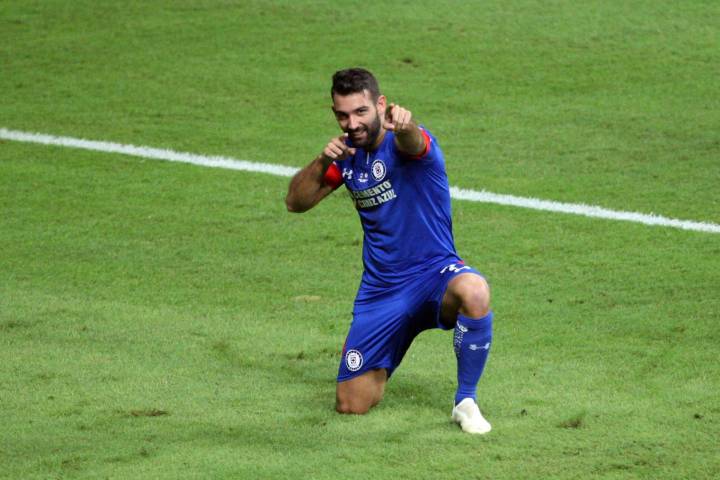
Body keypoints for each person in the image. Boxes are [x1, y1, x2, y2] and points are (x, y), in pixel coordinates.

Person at [285, 68, 494, 434]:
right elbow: (295, 203)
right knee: (351, 404)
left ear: (380, 105)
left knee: (474, 290)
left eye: (361, 112)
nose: (352, 123)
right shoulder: (347, 158)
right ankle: (389, 346)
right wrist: (322, 161)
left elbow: (413, 143)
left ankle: (466, 401)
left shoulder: (405, 143)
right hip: (382, 291)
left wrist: (406, 126)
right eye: (343, 115)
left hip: (434, 275)